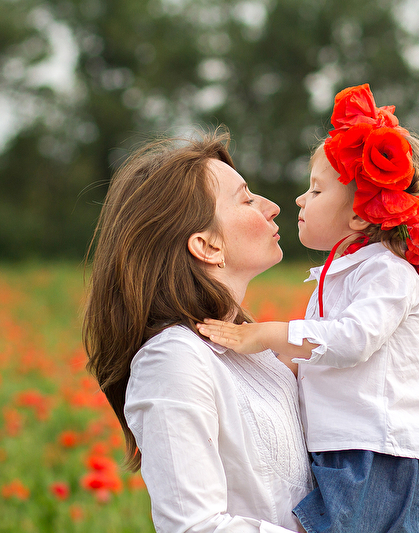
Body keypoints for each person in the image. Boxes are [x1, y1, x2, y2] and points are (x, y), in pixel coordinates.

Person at [197, 84, 419, 533]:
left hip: (376, 454)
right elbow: (323, 357)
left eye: (315, 191)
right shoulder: (345, 274)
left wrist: (267, 335)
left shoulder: (387, 272)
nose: (299, 200)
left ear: (359, 215)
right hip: (349, 447)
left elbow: (353, 340)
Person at [82, 129, 313, 533]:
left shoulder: (255, 351)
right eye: (246, 199)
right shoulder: (172, 359)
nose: (273, 207)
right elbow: (193, 527)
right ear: (207, 246)